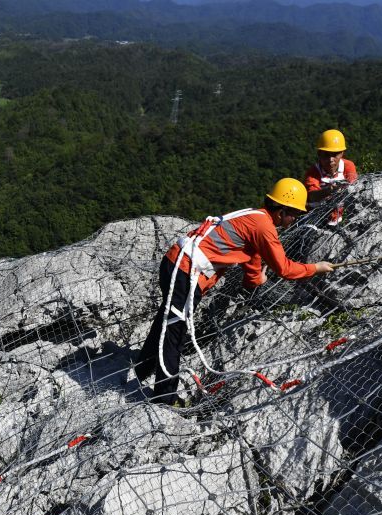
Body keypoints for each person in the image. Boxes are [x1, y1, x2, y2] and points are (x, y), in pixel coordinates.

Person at [134, 178, 334, 405]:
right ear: (281, 211)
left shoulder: (255, 217)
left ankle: (142, 369)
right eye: (294, 213)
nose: (296, 218)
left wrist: (256, 280)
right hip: (185, 272)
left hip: (176, 263)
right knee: (175, 333)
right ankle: (164, 398)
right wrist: (315, 268)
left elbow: (252, 261)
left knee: (166, 320)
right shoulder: (264, 227)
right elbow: (284, 268)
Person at [304, 129, 358, 225]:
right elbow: (312, 196)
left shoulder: (348, 166)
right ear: (319, 154)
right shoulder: (313, 172)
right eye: (326, 155)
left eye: (334, 154)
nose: (330, 160)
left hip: (339, 218)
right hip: (315, 218)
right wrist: (329, 190)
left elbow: (353, 187)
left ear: (342, 153)